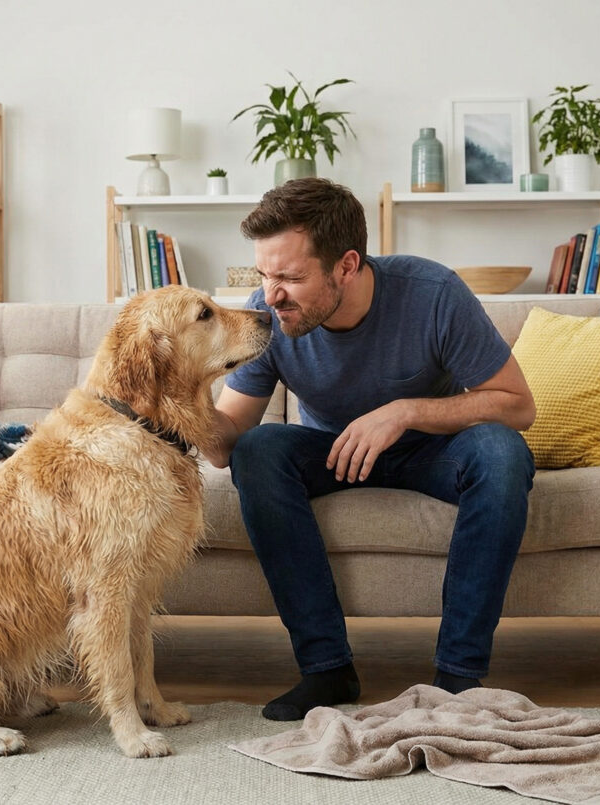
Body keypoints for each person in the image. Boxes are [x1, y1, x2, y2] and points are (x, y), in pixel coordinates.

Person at [206, 178, 536, 721]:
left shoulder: (433, 294)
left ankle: (458, 679)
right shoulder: (267, 318)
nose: (271, 295)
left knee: (502, 453)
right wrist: (177, 391)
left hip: (434, 453)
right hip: (334, 453)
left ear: (347, 265)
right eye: (265, 275)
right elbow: (225, 444)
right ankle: (327, 669)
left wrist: (406, 411)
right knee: (259, 449)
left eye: (290, 276)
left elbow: (518, 405)